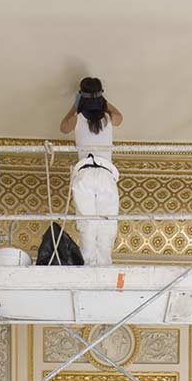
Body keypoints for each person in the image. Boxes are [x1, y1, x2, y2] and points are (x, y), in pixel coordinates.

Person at [59, 77, 123, 265]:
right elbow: (120, 117)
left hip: (85, 174)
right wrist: (104, 102)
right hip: (105, 174)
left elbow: (63, 127)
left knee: (87, 224)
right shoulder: (108, 118)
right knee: (107, 224)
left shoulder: (77, 119)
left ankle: (89, 266)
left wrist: (76, 106)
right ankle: (103, 266)